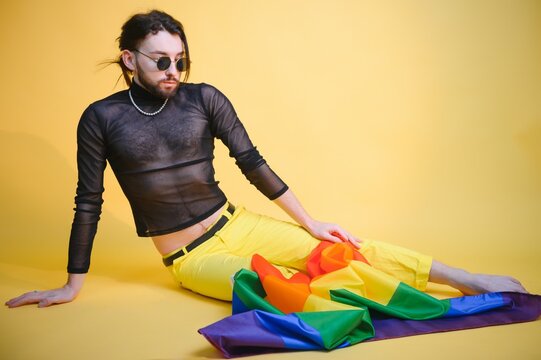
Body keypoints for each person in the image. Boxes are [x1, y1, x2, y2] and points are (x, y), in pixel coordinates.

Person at [5, 10, 527, 308]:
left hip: (243, 224)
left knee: (341, 251)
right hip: (192, 258)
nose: (173, 70)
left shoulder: (205, 98)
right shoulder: (101, 118)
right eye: (161, 60)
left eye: (180, 60)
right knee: (276, 290)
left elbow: (252, 163)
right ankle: (429, 305)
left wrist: (310, 222)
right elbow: (88, 202)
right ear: (129, 59)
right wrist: (73, 284)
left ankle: (466, 279)